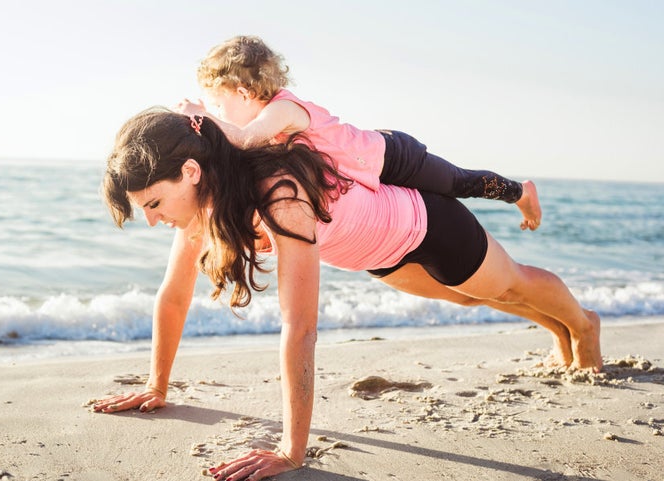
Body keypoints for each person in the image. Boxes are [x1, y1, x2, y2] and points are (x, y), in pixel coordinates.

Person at [94, 109, 602, 481]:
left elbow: (299, 327)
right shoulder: (203, 208)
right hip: (376, 254)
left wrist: (292, 451)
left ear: (189, 171)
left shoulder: (279, 193)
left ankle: (582, 325)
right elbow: (174, 295)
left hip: (427, 226)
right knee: (468, 300)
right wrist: (156, 386)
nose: (154, 219)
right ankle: (555, 325)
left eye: (155, 203)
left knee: (508, 282)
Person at [176, 35, 542, 231]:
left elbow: (243, 140)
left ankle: (519, 193)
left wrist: (201, 116)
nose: (219, 114)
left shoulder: (282, 110)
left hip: (395, 156)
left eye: (220, 105)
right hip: (369, 166)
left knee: (458, 183)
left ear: (243, 93)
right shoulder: (269, 117)